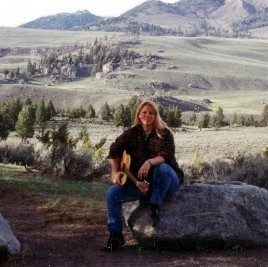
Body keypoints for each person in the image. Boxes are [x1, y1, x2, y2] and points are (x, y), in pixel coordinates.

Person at [104, 99, 184, 252]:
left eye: (151, 113)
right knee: (112, 194)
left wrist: (148, 162)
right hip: (142, 184)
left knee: (161, 167)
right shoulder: (131, 134)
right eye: (144, 112)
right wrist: (116, 172)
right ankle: (115, 236)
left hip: (167, 179)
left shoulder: (164, 133)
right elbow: (114, 150)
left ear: (155, 116)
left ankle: (154, 204)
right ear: (139, 115)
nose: (147, 115)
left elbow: (165, 156)